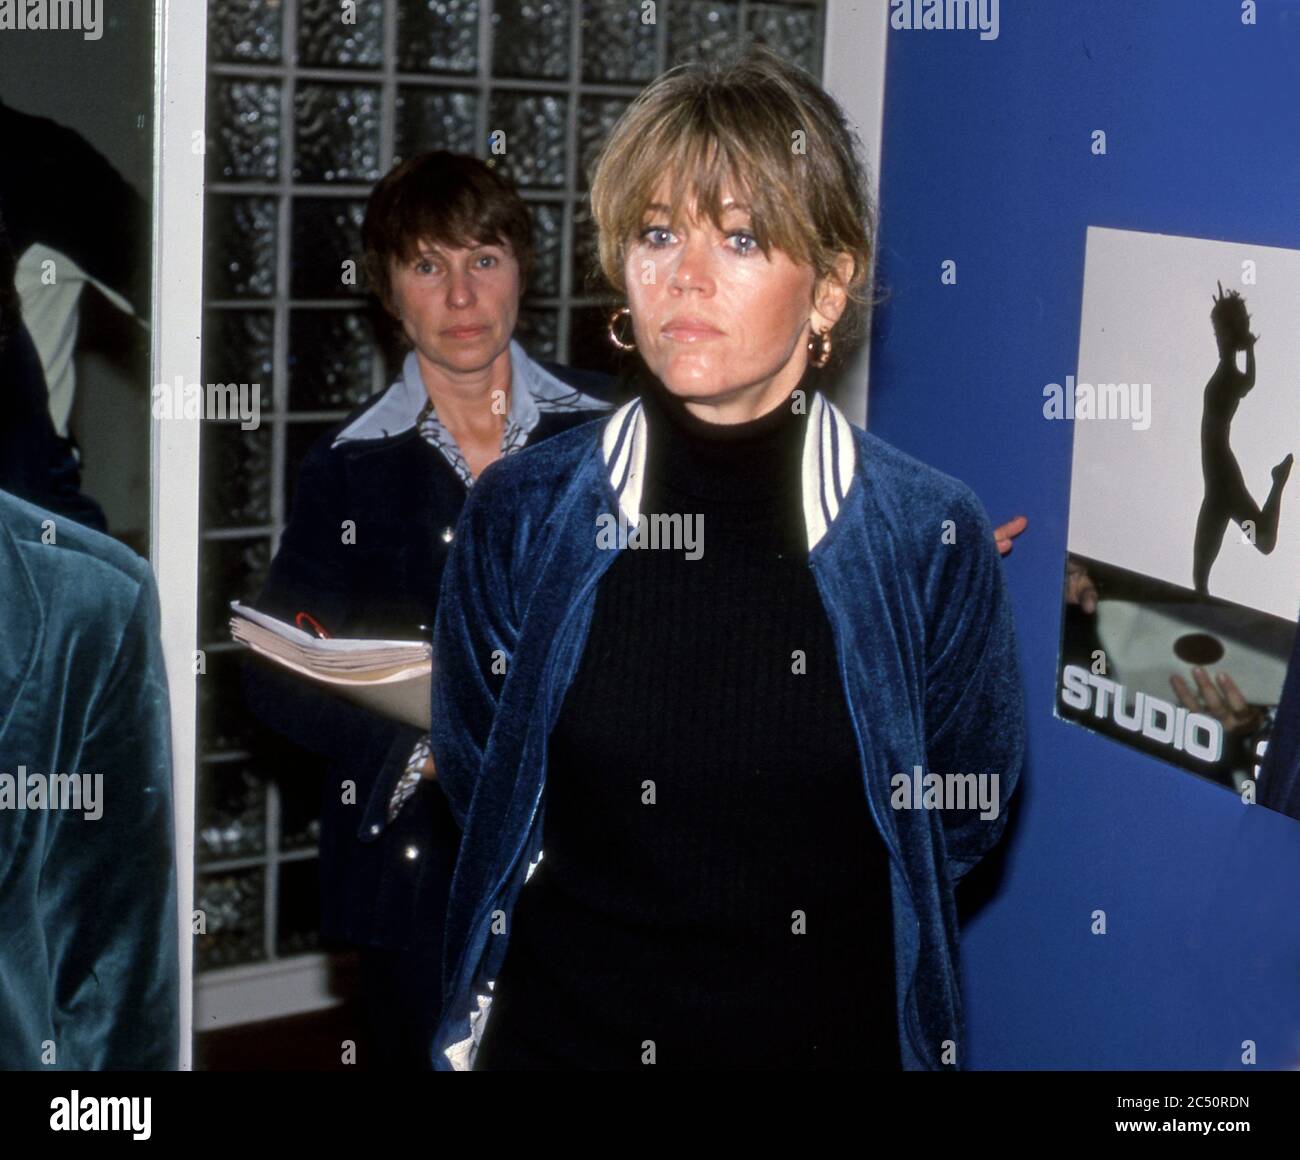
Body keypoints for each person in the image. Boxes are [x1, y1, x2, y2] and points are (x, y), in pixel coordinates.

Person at [429, 45, 1027, 1071]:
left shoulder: (928, 533)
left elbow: (958, 812)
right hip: (565, 1038)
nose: (685, 278)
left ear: (830, 288)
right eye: (658, 234)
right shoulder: (522, 513)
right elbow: (487, 777)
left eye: (741, 239)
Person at [241, 152, 613, 1069]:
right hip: (421, 864)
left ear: (521, 269)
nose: (460, 296)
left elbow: (714, 579)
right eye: (426, 266)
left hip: (596, 841)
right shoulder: (349, 466)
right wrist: (426, 746)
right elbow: (276, 676)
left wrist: (901, 548)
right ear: (389, 293)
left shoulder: (614, 432)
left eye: (483, 259)